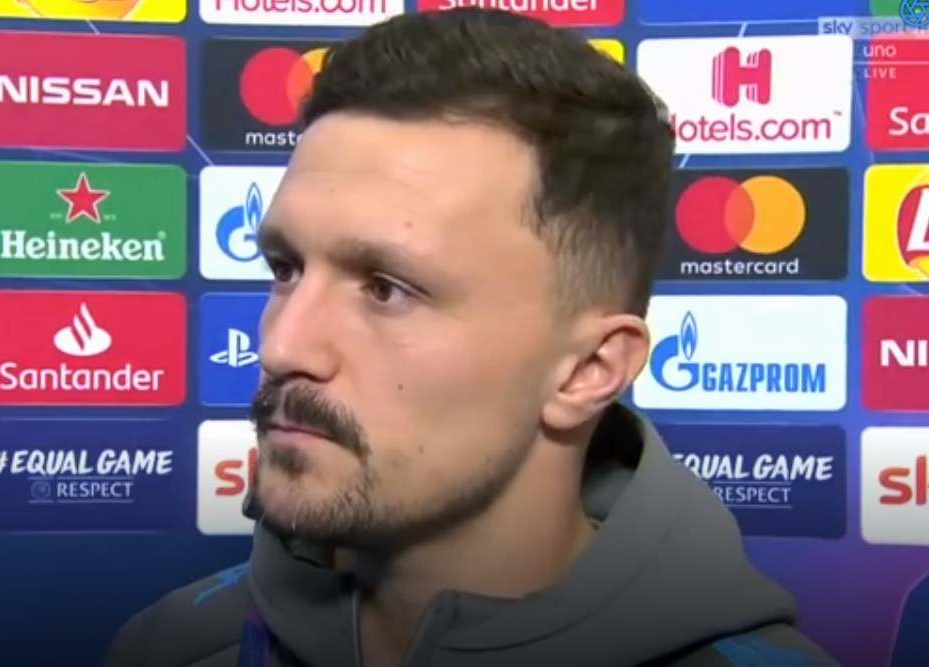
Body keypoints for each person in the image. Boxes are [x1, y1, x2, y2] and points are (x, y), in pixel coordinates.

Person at [106, 8, 839, 666]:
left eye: (387, 288)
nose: (282, 347)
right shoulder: (171, 646)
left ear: (587, 369)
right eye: (286, 268)